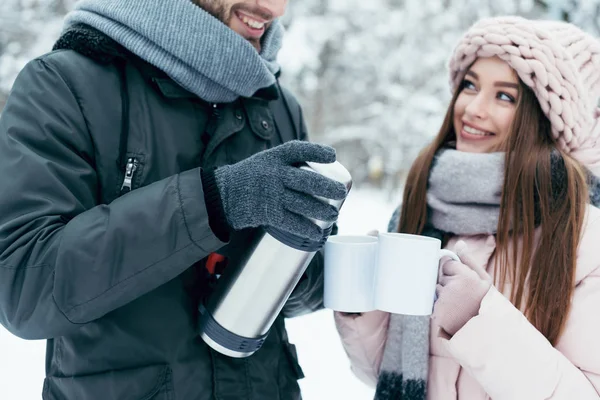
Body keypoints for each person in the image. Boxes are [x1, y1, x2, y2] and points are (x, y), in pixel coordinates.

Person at [0, 0, 348, 399]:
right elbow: (25, 285)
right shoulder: (65, 83)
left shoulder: (276, 105)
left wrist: (290, 267)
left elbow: (305, 286)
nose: (274, 8)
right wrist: (214, 202)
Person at [334, 16, 600, 400]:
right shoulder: (424, 207)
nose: (472, 108)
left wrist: (479, 319)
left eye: (504, 96)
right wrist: (361, 309)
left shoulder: (584, 239)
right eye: (470, 85)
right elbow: (389, 376)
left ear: (543, 121)